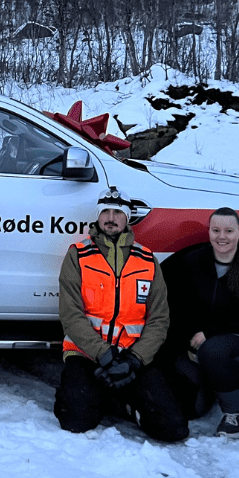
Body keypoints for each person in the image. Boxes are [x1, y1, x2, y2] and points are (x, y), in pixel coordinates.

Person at [53, 187, 188, 443]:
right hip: (87, 354)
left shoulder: (147, 260)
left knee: (174, 429)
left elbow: (159, 319)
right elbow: (70, 314)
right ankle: (101, 395)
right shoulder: (78, 255)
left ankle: (119, 401)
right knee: (74, 421)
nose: (111, 217)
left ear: (127, 218)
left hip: (133, 357)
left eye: (118, 212)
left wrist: (135, 360)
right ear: (98, 216)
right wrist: (102, 353)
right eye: (105, 211)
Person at [157, 207, 239, 437]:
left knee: (213, 351)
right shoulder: (192, 262)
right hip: (201, 345)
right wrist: (189, 338)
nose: (221, 236)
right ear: (209, 232)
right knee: (193, 407)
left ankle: (234, 412)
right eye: (216, 230)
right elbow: (179, 308)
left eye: (228, 230)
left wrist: (209, 334)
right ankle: (222, 384)